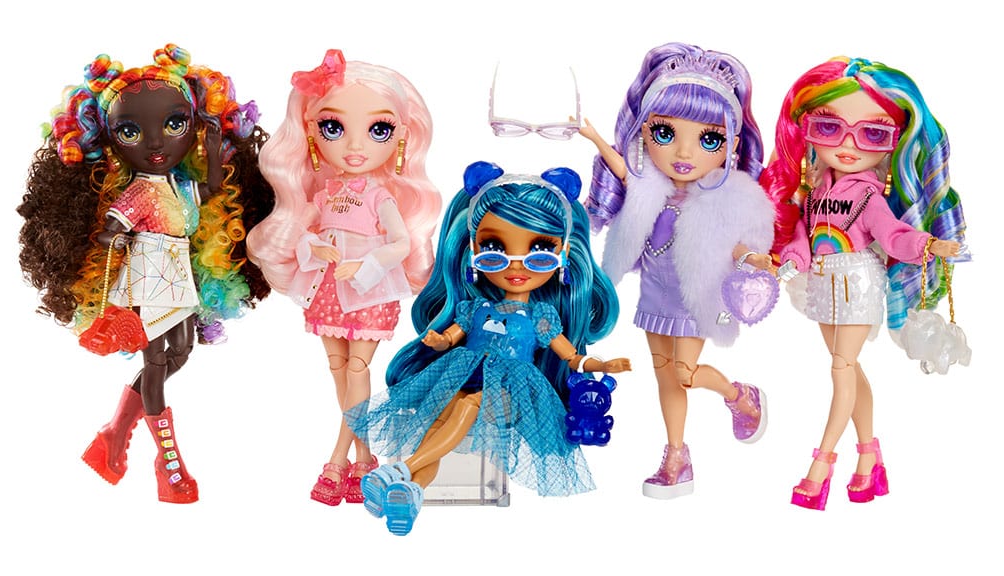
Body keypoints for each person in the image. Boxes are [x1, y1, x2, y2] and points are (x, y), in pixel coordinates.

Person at [18, 43, 272, 503]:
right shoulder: (136, 194)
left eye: (174, 125)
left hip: (178, 280)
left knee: (181, 353)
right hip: (147, 282)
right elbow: (115, 224)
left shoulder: (179, 185)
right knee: (155, 363)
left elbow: (214, 187)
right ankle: (168, 462)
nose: (155, 144)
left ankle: (114, 432)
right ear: (107, 140)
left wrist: (215, 142)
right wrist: (109, 235)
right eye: (130, 131)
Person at [347, 161, 630, 535]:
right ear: (473, 252)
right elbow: (451, 337)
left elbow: (571, 356)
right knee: (437, 426)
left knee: (468, 405)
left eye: (540, 249)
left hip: (510, 391)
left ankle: (400, 469)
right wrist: (439, 340)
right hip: (462, 374)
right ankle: (411, 491)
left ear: (562, 255)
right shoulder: (475, 309)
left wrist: (601, 365)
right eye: (495, 248)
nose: (517, 265)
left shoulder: (540, 317)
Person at [760, 56, 967, 510]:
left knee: (840, 369)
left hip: (858, 283)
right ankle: (870, 457)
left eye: (872, 134)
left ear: (893, 144)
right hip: (821, 285)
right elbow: (802, 238)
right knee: (848, 368)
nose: (849, 145)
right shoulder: (816, 191)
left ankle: (821, 463)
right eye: (829, 128)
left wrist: (928, 244)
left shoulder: (869, 195)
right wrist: (788, 261)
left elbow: (892, 235)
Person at [579, 42, 774, 499]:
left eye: (709, 139)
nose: (685, 152)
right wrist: (593, 136)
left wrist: (751, 259)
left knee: (685, 372)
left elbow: (738, 242)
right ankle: (676, 456)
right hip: (655, 295)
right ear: (645, 131)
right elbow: (623, 170)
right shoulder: (648, 186)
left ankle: (740, 396)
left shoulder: (730, 197)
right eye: (665, 132)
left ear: (731, 144)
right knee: (665, 375)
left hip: (695, 296)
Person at [245, 49, 440, 506]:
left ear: (401, 137)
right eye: (334, 127)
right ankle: (365, 458)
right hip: (327, 289)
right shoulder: (324, 193)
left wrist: (366, 264)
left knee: (356, 368)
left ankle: (337, 459)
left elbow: (400, 243)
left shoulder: (380, 196)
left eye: (378, 130)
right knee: (338, 368)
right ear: (312, 133)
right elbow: (304, 234)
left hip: (369, 291)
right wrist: (313, 246)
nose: (355, 147)